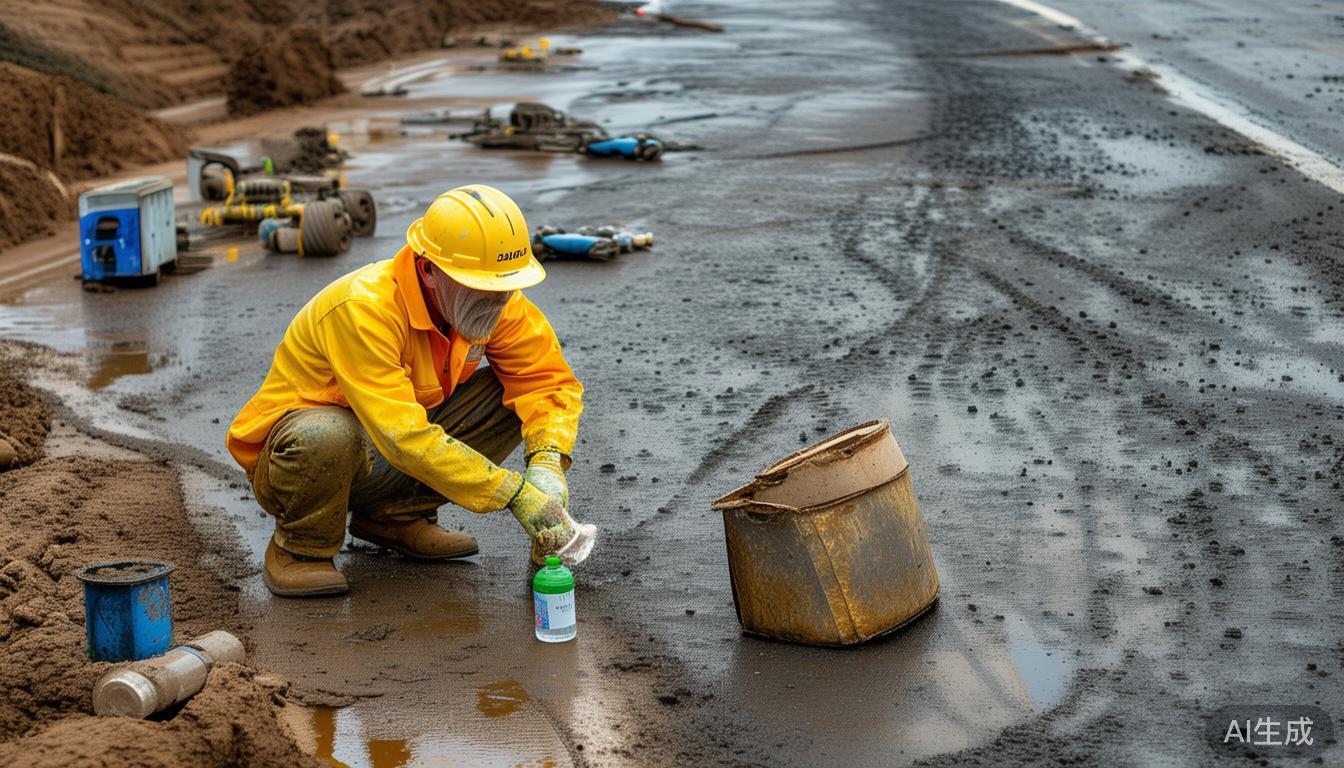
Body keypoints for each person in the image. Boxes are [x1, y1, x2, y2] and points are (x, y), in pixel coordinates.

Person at [225, 184, 595, 597]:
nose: (499, 298)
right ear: (428, 270)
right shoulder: (364, 308)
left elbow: (546, 382)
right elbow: (400, 436)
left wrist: (547, 462)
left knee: (514, 401)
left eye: (506, 284)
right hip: (300, 462)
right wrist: (512, 492)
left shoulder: (493, 301)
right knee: (327, 434)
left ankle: (394, 517)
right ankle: (300, 548)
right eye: (481, 284)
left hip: (382, 448)